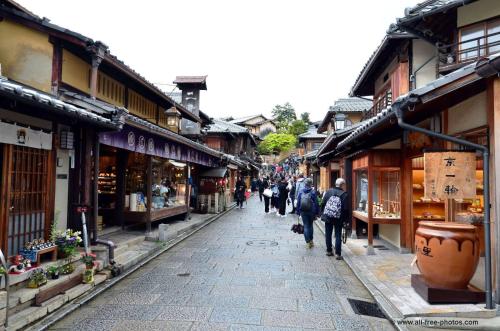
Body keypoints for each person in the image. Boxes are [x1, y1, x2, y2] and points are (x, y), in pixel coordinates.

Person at [321, 178, 348, 259]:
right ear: (342, 185)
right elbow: (345, 209)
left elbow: (323, 203)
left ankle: (329, 251)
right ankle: (338, 254)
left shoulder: (329, 191)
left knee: (328, 234)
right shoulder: (344, 194)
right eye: (344, 184)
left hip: (328, 216)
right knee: (338, 235)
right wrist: (345, 220)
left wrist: (323, 213)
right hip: (338, 218)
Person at [296, 178, 319, 248]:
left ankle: (308, 242)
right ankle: (311, 241)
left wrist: (298, 211)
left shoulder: (301, 191)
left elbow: (298, 202)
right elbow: (316, 203)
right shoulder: (313, 192)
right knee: (310, 225)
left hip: (303, 211)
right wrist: (317, 212)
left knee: (306, 226)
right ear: (311, 184)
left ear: (305, 184)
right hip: (311, 211)